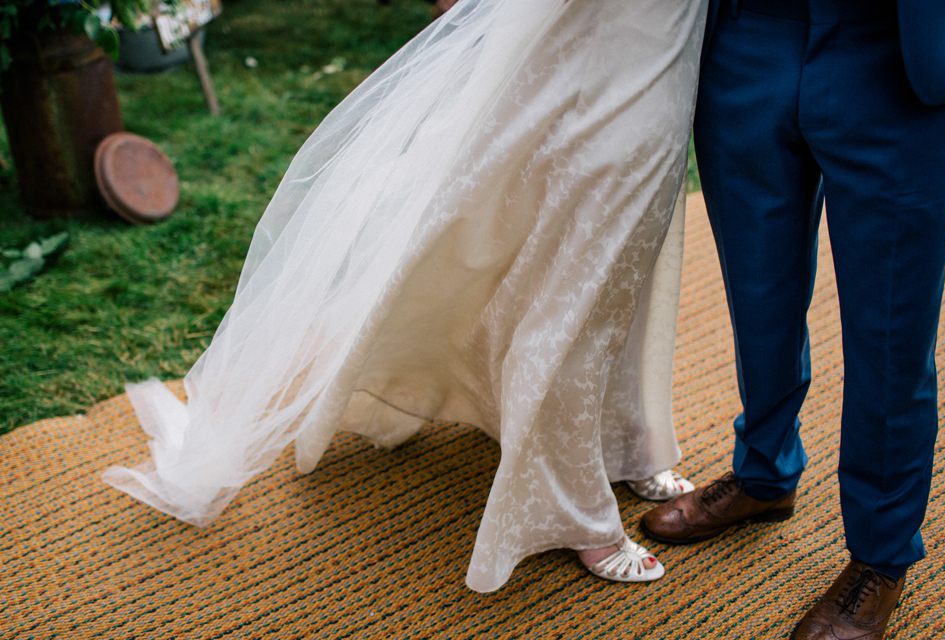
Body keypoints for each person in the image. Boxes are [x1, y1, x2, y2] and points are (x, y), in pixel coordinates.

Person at [104, 0, 707, 592]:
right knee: (585, 279)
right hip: (611, 46)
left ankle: (619, 438)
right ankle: (572, 505)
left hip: (655, 40)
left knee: (614, 264)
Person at [641, 0, 945, 637]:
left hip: (896, 53)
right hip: (749, 37)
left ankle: (882, 552)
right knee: (758, 292)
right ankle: (764, 470)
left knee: (891, 333)